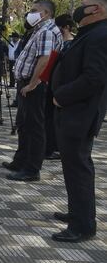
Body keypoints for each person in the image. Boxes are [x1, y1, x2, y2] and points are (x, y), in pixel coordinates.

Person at [49, 0, 107, 242]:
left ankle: (82, 225)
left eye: (84, 6)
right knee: (74, 167)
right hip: (74, 111)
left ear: (97, 10)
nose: (78, 10)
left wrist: (62, 96)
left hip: (79, 113)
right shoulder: (92, 34)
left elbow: (94, 78)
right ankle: (78, 213)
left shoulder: (100, 36)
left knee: (78, 168)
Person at [4, 0, 61, 181]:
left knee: (34, 127)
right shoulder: (39, 30)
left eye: (34, 10)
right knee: (23, 124)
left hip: (33, 85)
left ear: (45, 13)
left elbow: (44, 59)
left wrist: (33, 83)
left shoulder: (46, 31)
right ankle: (20, 160)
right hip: (27, 83)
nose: (30, 13)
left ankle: (31, 169)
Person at [45, 14, 77, 162]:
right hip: (51, 84)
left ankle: (56, 148)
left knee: (57, 120)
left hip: (62, 88)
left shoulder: (73, 44)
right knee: (48, 118)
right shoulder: (57, 42)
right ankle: (49, 146)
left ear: (66, 28)